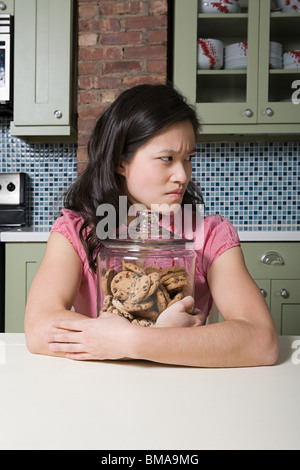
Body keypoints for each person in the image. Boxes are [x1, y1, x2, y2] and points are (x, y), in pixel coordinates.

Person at [25, 84, 279, 367]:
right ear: (121, 161)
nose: (182, 176)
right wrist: (168, 338)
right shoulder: (77, 231)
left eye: (188, 159)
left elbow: (261, 340)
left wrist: (132, 341)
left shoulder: (209, 234)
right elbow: (39, 329)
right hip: (100, 392)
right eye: (166, 159)